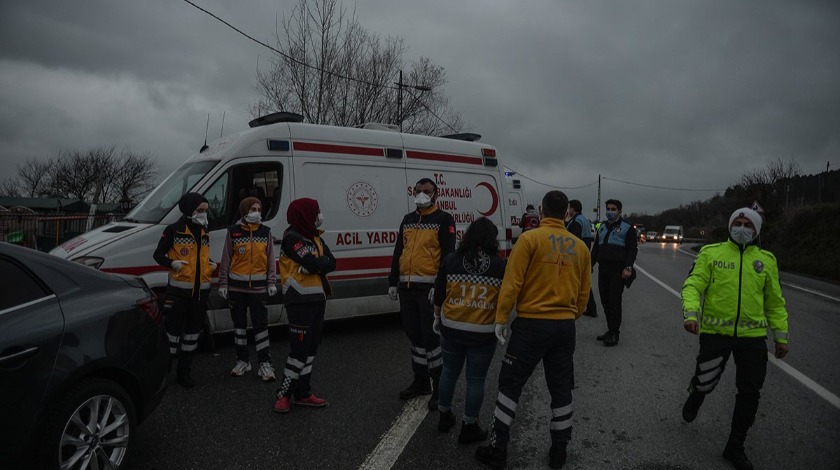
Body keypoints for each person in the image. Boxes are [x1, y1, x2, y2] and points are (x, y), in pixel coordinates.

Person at [476, 190, 591, 470]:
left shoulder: (529, 239)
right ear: (566, 213)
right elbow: (584, 294)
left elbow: (512, 283)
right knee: (561, 390)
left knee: (510, 385)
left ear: (541, 211)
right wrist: (568, 316)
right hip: (564, 327)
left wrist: (501, 317)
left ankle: (498, 449)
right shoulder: (580, 247)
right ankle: (559, 452)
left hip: (531, 325)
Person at [680, 207, 789, 470]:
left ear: (756, 230)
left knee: (750, 391)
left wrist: (781, 336)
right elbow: (693, 285)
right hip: (716, 333)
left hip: (752, 337)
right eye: (737, 223)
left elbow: (775, 302)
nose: (742, 228)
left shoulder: (766, 260)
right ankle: (697, 393)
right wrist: (691, 314)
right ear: (730, 227)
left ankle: (735, 445)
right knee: (706, 381)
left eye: (748, 224)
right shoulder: (711, 253)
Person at [432, 217, 507, 444]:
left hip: (451, 328)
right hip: (482, 332)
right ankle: (469, 426)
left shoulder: (451, 260)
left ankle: (444, 417)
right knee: (475, 380)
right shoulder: (499, 265)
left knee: (448, 373)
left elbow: (439, 293)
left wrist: (437, 317)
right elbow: (506, 297)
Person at [388, 177, 456, 410]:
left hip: (428, 289)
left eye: (426, 191)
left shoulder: (444, 219)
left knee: (431, 339)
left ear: (436, 193)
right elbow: (399, 250)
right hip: (407, 287)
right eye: (418, 191)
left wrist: (439, 287)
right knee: (414, 336)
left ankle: (439, 386)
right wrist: (392, 280)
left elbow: (448, 256)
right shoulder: (407, 220)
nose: (421, 195)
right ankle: (420, 380)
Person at [273, 198, 336, 413]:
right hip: (299, 301)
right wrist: (318, 265)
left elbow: (332, 262)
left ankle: (303, 393)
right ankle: (283, 395)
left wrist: (317, 265)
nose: (319, 215)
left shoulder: (315, 237)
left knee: (311, 349)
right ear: (305, 214)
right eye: (317, 212)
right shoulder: (292, 238)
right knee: (298, 351)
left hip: (317, 299)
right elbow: (312, 263)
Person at [153, 192, 215, 388]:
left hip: (200, 293)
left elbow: (201, 258)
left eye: (205, 210)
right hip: (178, 293)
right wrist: (172, 263)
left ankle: (184, 372)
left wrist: (209, 265)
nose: (204, 214)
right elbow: (158, 255)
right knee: (172, 334)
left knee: (192, 334)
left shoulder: (205, 230)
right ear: (189, 210)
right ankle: (162, 373)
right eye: (200, 210)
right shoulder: (174, 230)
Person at [218, 197, 279, 381]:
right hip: (237, 288)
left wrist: (271, 282)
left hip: (259, 289)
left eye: (259, 209)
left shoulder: (265, 231)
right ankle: (242, 361)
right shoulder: (233, 232)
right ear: (244, 210)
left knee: (261, 327)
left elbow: (270, 260)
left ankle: (264, 364)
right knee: (239, 327)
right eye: (253, 208)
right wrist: (223, 283)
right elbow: (226, 259)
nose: (257, 212)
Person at [591, 199, 637, 346]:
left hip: (618, 270)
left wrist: (628, 267)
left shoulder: (627, 228)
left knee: (614, 301)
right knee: (605, 300)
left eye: (613, 209)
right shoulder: (603, 227)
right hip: (603, 269)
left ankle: (614, 333)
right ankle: (610, 329)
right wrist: (589, 264)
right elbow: (596, 248)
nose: (610, 211)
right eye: (608, 209)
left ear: (619, 211)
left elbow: (632, 249)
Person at [566, 199, 597, 318]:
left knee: (579, 282)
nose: (568, 210)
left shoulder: (575, 221)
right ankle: (591, 308)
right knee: (583, 282)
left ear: (573, 209)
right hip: (585, 250)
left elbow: (573, 240)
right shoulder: (585, 220)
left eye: (569, 208)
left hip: (576, 254)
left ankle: (590, 307)